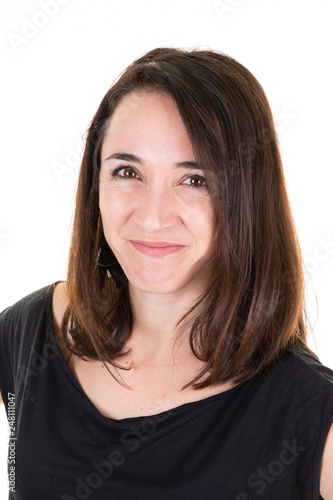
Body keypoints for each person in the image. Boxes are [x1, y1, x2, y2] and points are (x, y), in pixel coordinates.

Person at [0, 47, 332, 500]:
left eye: (195, 180)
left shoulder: (312, 416)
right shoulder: (32, 332)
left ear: (246, 199)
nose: (153, 217)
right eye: (127, 171)